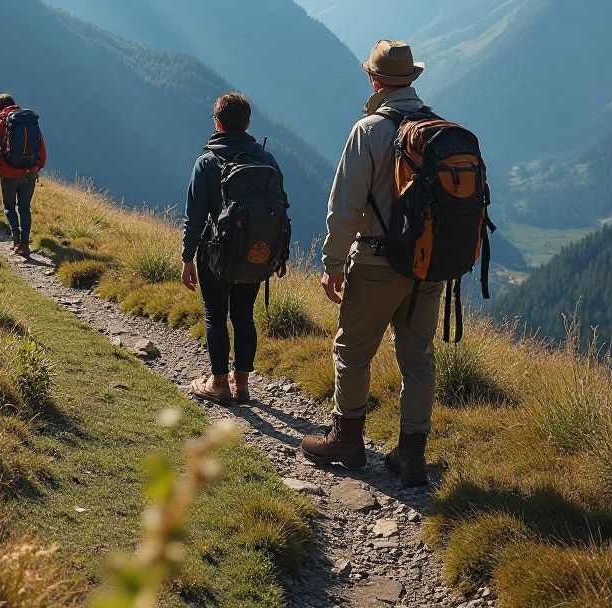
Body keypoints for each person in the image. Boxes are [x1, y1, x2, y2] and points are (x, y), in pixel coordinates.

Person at [301, 39, 441, 486]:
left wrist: (333, 263)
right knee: (417, 357)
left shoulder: (369, 130)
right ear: (412, 79)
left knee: (352, 351)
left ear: (375, 80)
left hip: (377, 264)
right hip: (428, 267)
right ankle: (412, 455)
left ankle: (347, 439)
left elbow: (345, 205)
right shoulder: (437, 128)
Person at [181, 91, 287, 407]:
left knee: (216, 314)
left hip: (215, 254)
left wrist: (187, 257)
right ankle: (241, 385)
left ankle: (217, 383)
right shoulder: (266, 159)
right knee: (244, 315)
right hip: (257, 251)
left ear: (217, 123)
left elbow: (195, 217)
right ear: (248, 123)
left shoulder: (207, 162)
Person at [0, 94, 46, 258]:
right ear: (14, 104)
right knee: (25, 208)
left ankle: (16, 238)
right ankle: (25, 245)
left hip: (8, 173)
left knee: (9, 207)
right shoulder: (30, 121)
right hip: (30, 172)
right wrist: (37, 168)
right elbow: (41, 147)